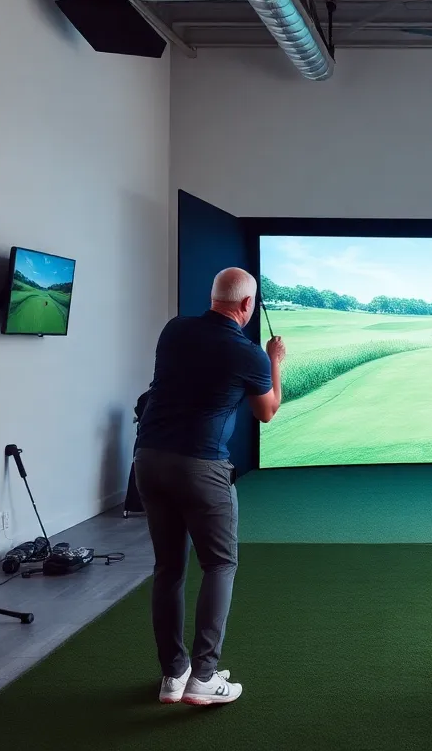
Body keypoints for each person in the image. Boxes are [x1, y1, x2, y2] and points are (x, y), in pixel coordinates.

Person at [133, 267, 286, 706]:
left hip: (149, 460)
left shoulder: (174, 331)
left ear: (214, 296)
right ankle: (203, 676)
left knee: (168, 569)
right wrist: (275, 360)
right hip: (201, 467)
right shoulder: (249, 354)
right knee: (219, 565)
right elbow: (267, 411)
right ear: (245, 306)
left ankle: (173, 675)